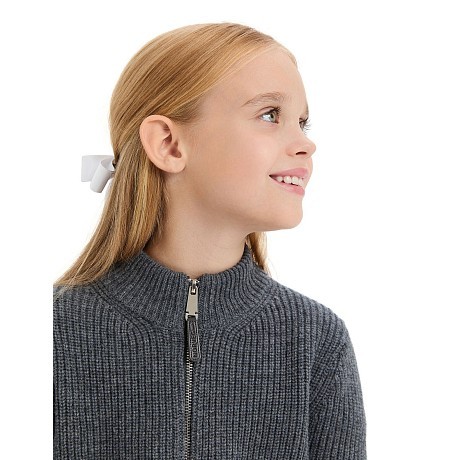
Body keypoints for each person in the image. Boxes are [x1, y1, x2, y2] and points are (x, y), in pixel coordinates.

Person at [54, 23, 366, 459]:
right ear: (168, 144)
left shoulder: (316, 340)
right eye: (270, 115)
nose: (305, 145)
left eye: (302, 122)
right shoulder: (49, 333)